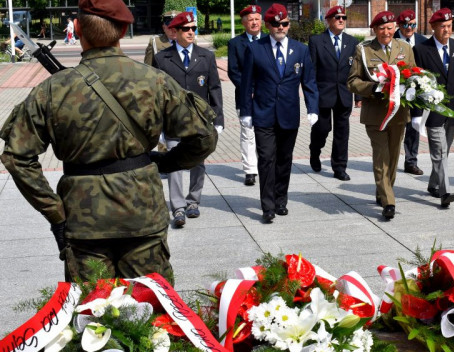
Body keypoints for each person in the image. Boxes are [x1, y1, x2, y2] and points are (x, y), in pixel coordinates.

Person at [0, 0, 218, 283]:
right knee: (152, 310)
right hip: (142, 213)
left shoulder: (51, 90)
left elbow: (17, 157)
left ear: (77, 28)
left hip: (82, 221)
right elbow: (204, 137)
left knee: (92, 316)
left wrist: (54, 210)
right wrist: (166, 163)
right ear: (125, 28)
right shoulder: (155, 81)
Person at [238, 3, 319, 223]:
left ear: (288, 24)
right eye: (275, 24)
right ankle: (268, 206)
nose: (280, 27)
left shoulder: (300, 50)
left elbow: (309, 82)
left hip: (289, 114)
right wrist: (245, 112)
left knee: (284, 159)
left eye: (284, 23)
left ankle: (280, 199)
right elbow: (246, 84)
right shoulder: (255, 49)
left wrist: (313, 108)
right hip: (263, 113)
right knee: (266, 159)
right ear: (268, 25)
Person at [153, 11, 225, 228]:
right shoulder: (161, 59)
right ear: (174, 32)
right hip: (174, 121)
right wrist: (157, 127)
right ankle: (178, 207)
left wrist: (219, 119)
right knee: (174, 164)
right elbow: (156, 94)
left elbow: (214, 88)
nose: (191, 32)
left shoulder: (206, 56)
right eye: (186, 29)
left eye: (193, 29)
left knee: (198, 162)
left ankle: (193, 201)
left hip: (199, 122)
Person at [347, 11, 417, 219]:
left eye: (390, 28)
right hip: (375, 114)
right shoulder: (364, 50)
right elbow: (352, 81)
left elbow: (413, 74)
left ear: (395, 28)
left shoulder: (404, 48)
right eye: (381, 28)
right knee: (382, 156)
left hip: (398, 113)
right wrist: (375, 88)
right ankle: (389, 201)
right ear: (375, 30)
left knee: (394, 157)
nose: (386, 32)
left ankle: (383, 190)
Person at [413, 8, 454, 208]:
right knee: (439, 151)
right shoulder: (421, 50)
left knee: (444, 151)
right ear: (433, 27)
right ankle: (445, 191)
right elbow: (415, 83)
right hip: (432, 111)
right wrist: (416, 114)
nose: (446, 30)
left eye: (449, 26)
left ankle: (433, 184)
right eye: (442, 27)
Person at [308, 5, 361, 181]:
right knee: (322, 128)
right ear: (328, 20)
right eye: (337, 17)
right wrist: (312, 96)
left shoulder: (352, 42)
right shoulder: (316, 41)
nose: (341, 20)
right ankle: (314, 151)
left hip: (344, 94)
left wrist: (358, 96)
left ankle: (339, 167)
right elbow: (312, 71)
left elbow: (357, 71)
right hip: (323, 94)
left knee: (342, 132)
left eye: (343, 18)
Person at [228, 5, 264, 186]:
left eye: (257, 19)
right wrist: (248, 90)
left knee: (266, 133)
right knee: (247, 133)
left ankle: (265, 165)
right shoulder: (235, 44)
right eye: (251, 20)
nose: (255, 22)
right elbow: (233, 71)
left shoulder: (269, 39)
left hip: (267, 96)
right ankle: (250, 170)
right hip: (245, 96)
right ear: (244, 23)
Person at [393, 9, 428, 176]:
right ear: (399, 25)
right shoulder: (392, 40)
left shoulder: (423, 41)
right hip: (396, 92)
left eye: (413, 24)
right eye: (406, 25)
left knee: (414, 125)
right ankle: (391, 158)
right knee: (395, 127)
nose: (410, 28)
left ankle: (411, 161)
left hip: (416, 92)